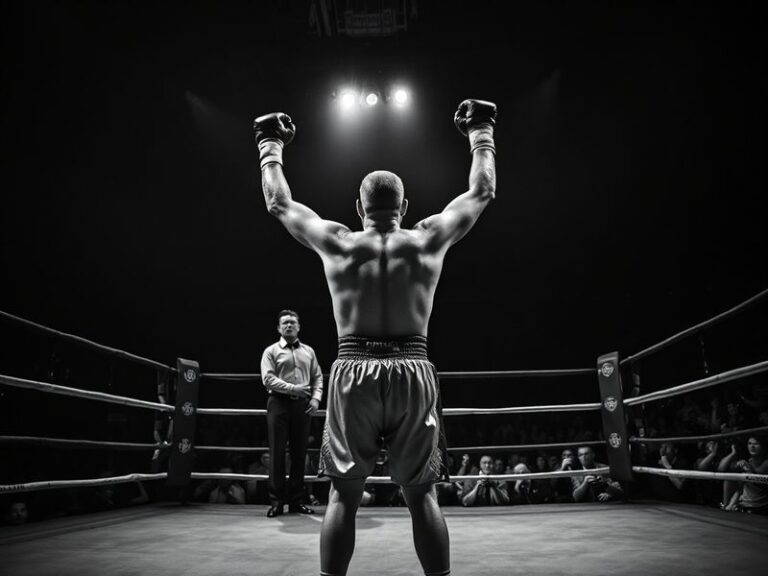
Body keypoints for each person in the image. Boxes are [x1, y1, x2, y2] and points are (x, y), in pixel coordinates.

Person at [254, 97, 497, 576]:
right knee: (421, 494)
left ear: (357, 208)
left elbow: (278, 203)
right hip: (412, 365)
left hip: (352, 369)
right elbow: (481, 191)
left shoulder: (339, 242)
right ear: (404, 207)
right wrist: (482, 131)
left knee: (342, 496)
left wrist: (270, 145)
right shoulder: (427, 238)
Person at [261, 309, 324, 517]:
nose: (289, 325)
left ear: (299, 327)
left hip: (302, 406)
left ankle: (296, 501)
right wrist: (292, 388)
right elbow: (267, 379)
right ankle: (277, 502)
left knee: (300, 453)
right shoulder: (271, 351)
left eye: (292, 323)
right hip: (278, 403)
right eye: (285, 323)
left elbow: (317, 377)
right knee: (277, 453)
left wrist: (316, 398)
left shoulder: (309, 351)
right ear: (279, 328)